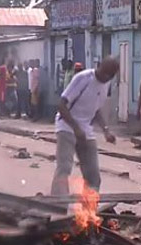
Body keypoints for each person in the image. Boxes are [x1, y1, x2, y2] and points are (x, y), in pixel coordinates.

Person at [50, 58, 119, 195]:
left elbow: (96, 109)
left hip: (86, 130)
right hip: (67, 126)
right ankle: (57, 206)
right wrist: (76, 128)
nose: (106, 77)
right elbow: (62, 105)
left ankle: (88, 210)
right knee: (64, 168)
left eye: (110, 75)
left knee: (93, 176)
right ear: (98, 66)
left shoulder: (106, 84)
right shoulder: (83, 78)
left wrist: (106, 131)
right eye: (105, 73)